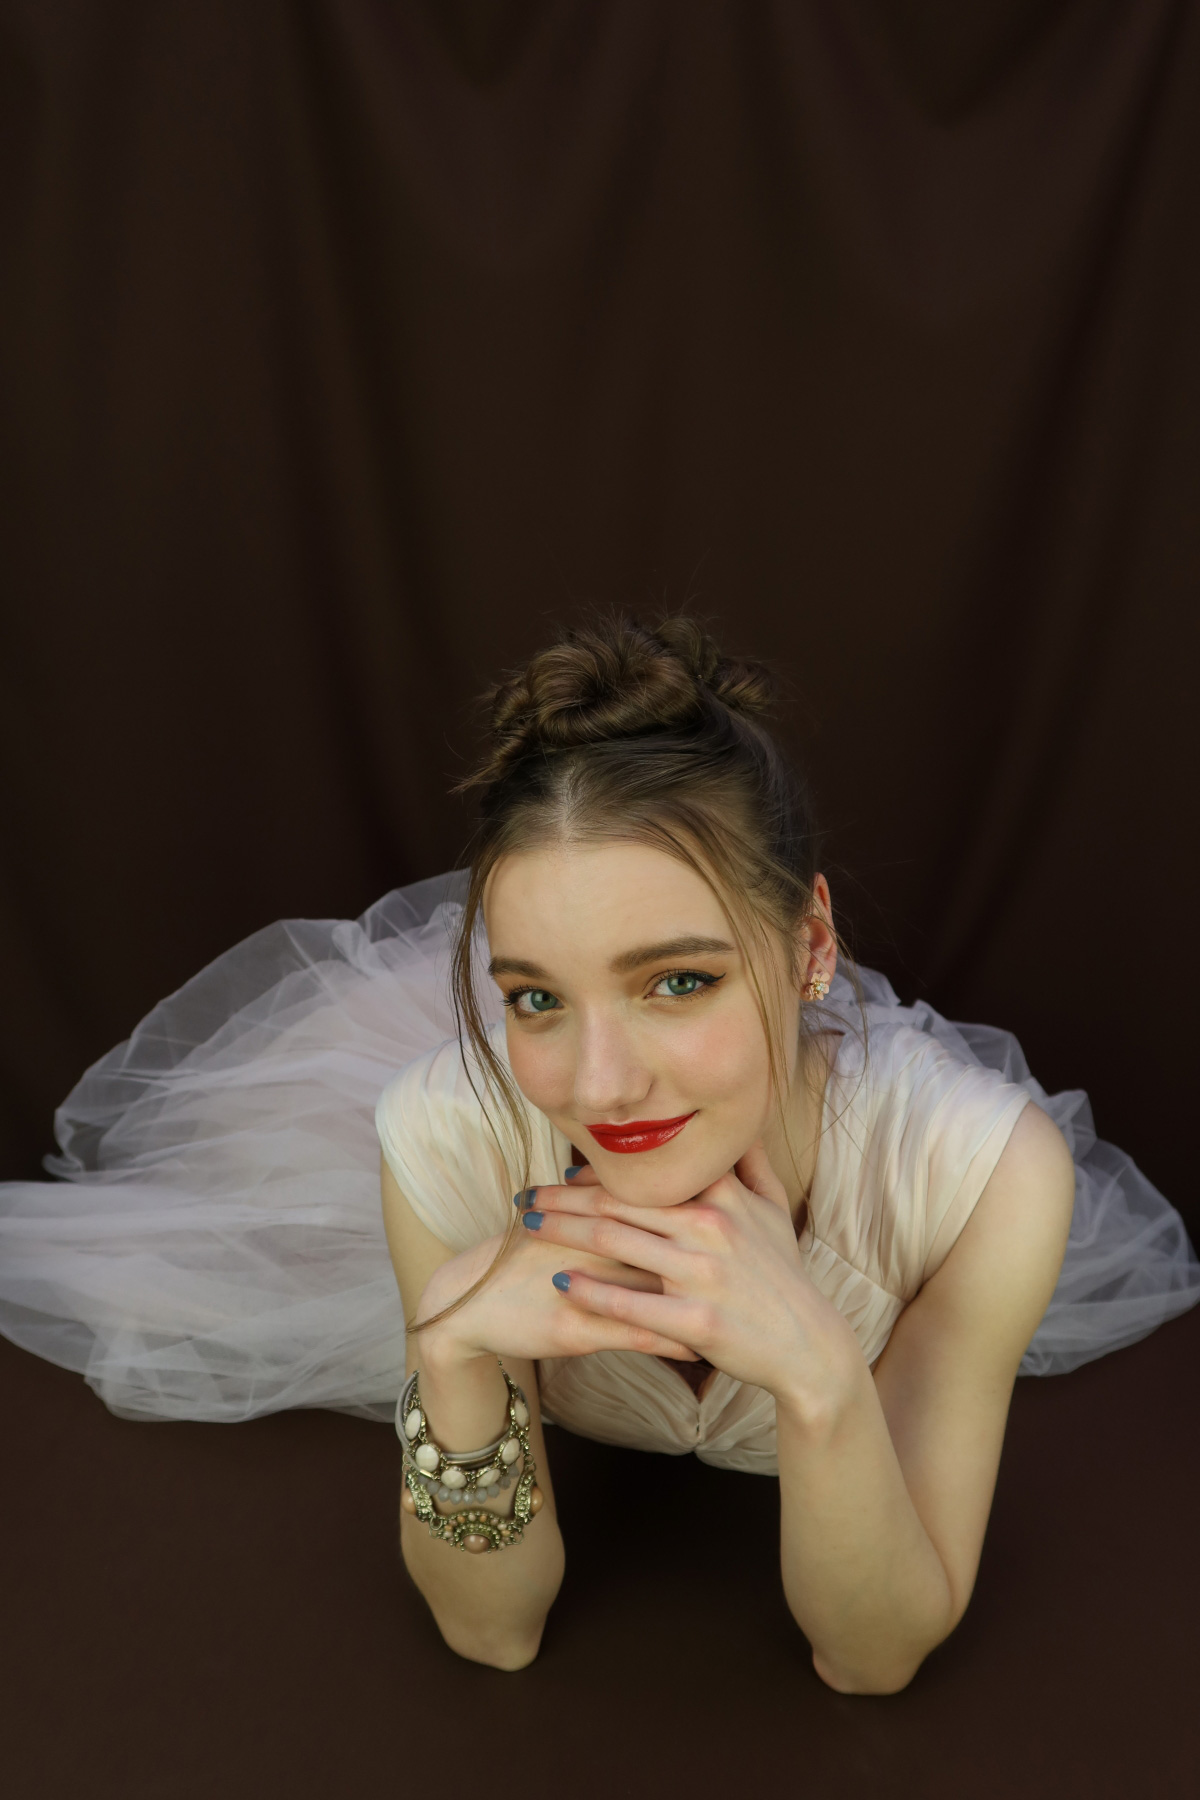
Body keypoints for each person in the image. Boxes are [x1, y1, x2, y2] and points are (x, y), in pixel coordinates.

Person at [1, 617, 1197, 1692]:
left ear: (810, 946)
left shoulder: (985, 1181)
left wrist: (822, 1375)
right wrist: (453, 1355)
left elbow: (872, 1656)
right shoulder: (450, 1139)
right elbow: (493, 1632)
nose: (600, 1084)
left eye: (678, 982)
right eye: (536, 999)